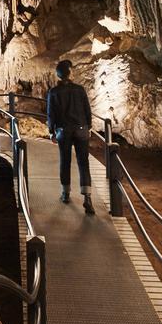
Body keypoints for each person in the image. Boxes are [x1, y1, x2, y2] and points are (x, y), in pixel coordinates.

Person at [46, 59, 95, 215]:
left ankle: (66, 193)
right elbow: (87, 110)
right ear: (70, 73)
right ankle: (87, 197)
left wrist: (51, 131)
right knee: (83, 163)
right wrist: (89, 126)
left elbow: (51, 114)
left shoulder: (54, 92)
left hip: (64, 130)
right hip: (81, 129)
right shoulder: (79, 90)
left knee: (65, 161)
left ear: (59, 76)